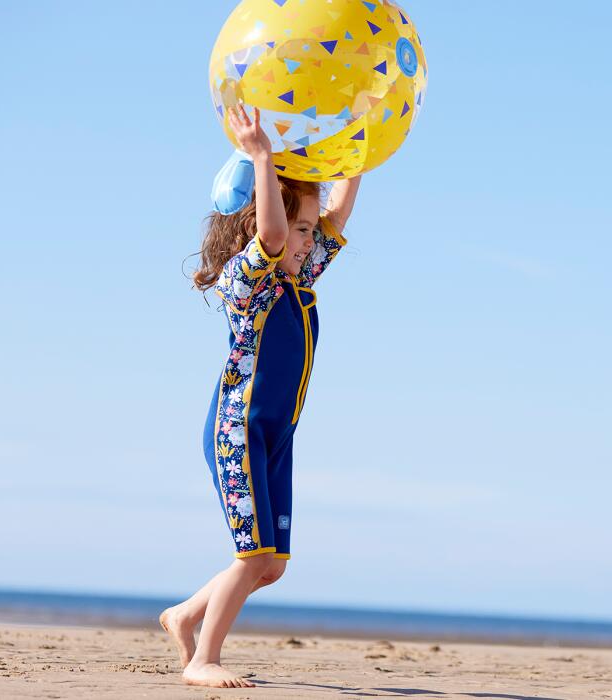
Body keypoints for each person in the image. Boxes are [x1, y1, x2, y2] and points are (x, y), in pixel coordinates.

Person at [160, 103, 361, 689]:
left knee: (269, 565)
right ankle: (202, 658)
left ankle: (183, 614)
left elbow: (338, 217)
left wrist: (358, 150)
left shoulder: (299, 276)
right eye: (302, 229)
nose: (308, 239)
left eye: (307, 230)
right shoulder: (247, 280)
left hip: (277, 435)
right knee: (252, 557)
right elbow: (274, 233)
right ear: (256, 227)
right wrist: (263, 156)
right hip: (238, 430)